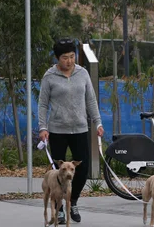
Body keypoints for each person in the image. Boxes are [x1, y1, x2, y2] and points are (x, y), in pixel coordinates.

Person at [38, 38, 104, 224]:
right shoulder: (49, 76)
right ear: (57, 58)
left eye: (72, 56)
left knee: (82, 170)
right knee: (58, 172)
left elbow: (90, 100)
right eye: (65, 58)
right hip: (57, 130)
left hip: (80, 128)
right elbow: (43, 104)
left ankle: (72, 201)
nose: (69, 61)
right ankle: (59, 209)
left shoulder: (82, 73)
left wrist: (98, 122)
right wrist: (43, 127)